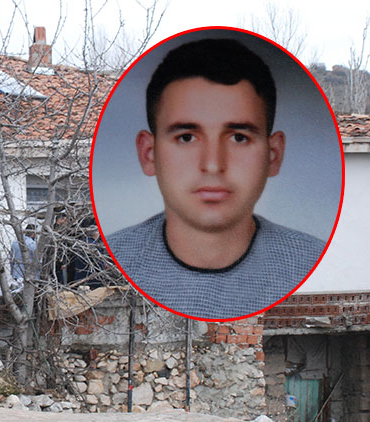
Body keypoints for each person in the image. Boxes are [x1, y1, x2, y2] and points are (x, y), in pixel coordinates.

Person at [106, 38, 325, 319]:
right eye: (186, 137)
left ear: (273, 155)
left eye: (238, 137)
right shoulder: (108, 261)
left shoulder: (306, 259)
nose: (212, 165)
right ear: (149, 153)